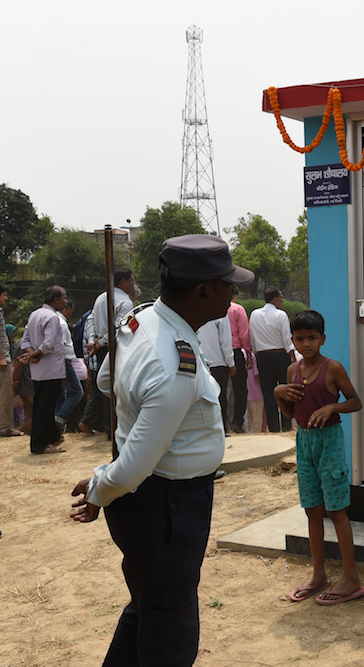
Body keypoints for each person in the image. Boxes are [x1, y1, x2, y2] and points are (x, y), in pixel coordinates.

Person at [69, 234, 254, 667]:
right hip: (167, 508)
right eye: (228, 284)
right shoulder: (175, 364)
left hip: (156, 504)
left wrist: (104, 486)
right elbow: (132, 467)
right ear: (203, 292)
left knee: (148, 608)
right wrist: (101, 487)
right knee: (170, 635)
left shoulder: (143, 319)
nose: (234, 292)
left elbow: (103, 383)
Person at [274, 310, 364, 604]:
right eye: (299, 338)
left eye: (312, 337)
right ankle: (318, 574)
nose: (306, 343)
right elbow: (291, 412)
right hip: (303, 442)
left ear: (322, 339)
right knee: (312, 510)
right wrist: (278, 394)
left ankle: (351, 578)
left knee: (336, 510)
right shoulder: (293, 371)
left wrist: (332, 408)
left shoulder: (333, 368)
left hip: (330, 442)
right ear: (293, 341)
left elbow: (355, 402)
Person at [82, 268, 135, 437]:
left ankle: (108, 428)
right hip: (115, 347)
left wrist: (92, 340)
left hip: (100, 346)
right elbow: (120, 329)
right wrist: (100, 342)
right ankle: (116, 429)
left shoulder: (101, 297)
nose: (133, 283)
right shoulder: (125, 302)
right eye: (131, 280)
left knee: (105, 386)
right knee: (117, 386)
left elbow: (90, 320)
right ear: (123, 282)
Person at [20, 286, 68, 454]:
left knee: (43, 405)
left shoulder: (35, 314)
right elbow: (48, 345)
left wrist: (31, 354)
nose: (65, 301)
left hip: (39, 370)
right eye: (63, 298)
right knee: (45, 407)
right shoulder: (52, 317)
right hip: (50, 370)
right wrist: (35, 353)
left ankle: (52, 437)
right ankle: (40, 444)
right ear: (56, 300)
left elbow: (25, 341)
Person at [249, 287, 295, 433]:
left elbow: (252, 337)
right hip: (280, 355)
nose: (282, 300)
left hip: (262, 356)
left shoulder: (254, 314)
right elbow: (287, 339)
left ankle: (273, 428)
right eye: (281, 297)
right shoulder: (281, 315)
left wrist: (256, 353)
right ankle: (287, 425)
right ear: (275, 299)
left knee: (268, 393)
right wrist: (293, 356)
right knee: (286, 390)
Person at [197, 315, 235, 435]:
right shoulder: (221, 312)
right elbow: (225, 340)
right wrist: (231, 363)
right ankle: (221, 429)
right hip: (217, 360)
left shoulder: (193, 306)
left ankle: (205, 431)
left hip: (199, 359)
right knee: (220, 398)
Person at [53, 298, 84, 432]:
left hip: (60, 361)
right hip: (63, 361)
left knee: (61, 394)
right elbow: (61, 346)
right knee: (77, 392)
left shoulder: (57, 320)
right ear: (67, 309)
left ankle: (57, 426)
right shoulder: (60, 322)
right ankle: (59, 416)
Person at [228, 291, 252, 433]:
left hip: (217, 354)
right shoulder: (237, 309)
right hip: (235, 351)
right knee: (240, 390)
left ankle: (223, 422)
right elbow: (243, 334)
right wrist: (248, 353)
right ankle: (237, 421)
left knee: (221, 389)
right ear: (234, 295)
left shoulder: (214, 310)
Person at [0, 282, 22, 437]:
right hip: (2, 360)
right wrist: (1, 357)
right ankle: (4, 428)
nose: (6, 298)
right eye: (4, 295)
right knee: (4, 396)